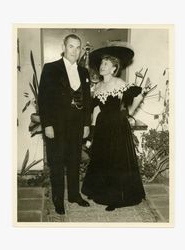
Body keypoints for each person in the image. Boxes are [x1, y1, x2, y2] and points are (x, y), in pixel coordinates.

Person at [81, 51, 146, 211]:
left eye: (106, 64)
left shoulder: (118, 83)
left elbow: (138, 95)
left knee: (116, 161)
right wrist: (92, 133)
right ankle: (99, 191)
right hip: (103, 125)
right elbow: (96, 111)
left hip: (117, 125)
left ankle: (116, 198)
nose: (102, 67)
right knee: (102, 158)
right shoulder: (97, 86)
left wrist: (128, 113)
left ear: (114, 68)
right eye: (102, 64)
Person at [38, 34, 91, 215]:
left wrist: (86, 125)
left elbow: (87, 102)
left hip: (77, 127)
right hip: (57, 126)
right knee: (57, 164)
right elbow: (43, 100)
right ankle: (58, 199)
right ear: (64, 46)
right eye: (71, 46)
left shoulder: (84, 73)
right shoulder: (51, 69)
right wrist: (47, 125)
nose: (74, 51)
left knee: (74, 161)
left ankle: (74, 195)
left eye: (78, 48)